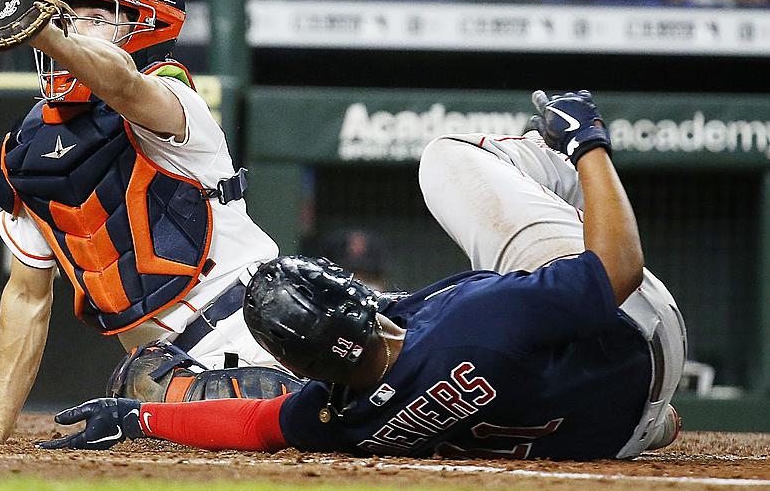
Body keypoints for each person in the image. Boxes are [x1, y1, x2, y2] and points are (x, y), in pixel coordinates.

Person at [38, 90, 686, 461]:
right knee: (447, 159)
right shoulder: (478, 322)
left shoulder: (337, 418)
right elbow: (617, 271)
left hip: (618, 428)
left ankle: (651, 421)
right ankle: (564, 165)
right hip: (637, 322)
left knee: (535, 359)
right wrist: (588, 141)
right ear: (356, 301)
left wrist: (139, 417)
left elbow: (254, 422)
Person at [0, 0, 299, 445]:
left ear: (145, 27)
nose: (70, 26)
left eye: (94, 16)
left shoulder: (173, 99)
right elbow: (28, 295)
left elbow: (122, 84)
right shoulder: (26, 151)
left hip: (265, 337)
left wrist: (47, 32)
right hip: (163, 372)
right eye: (65, 13)